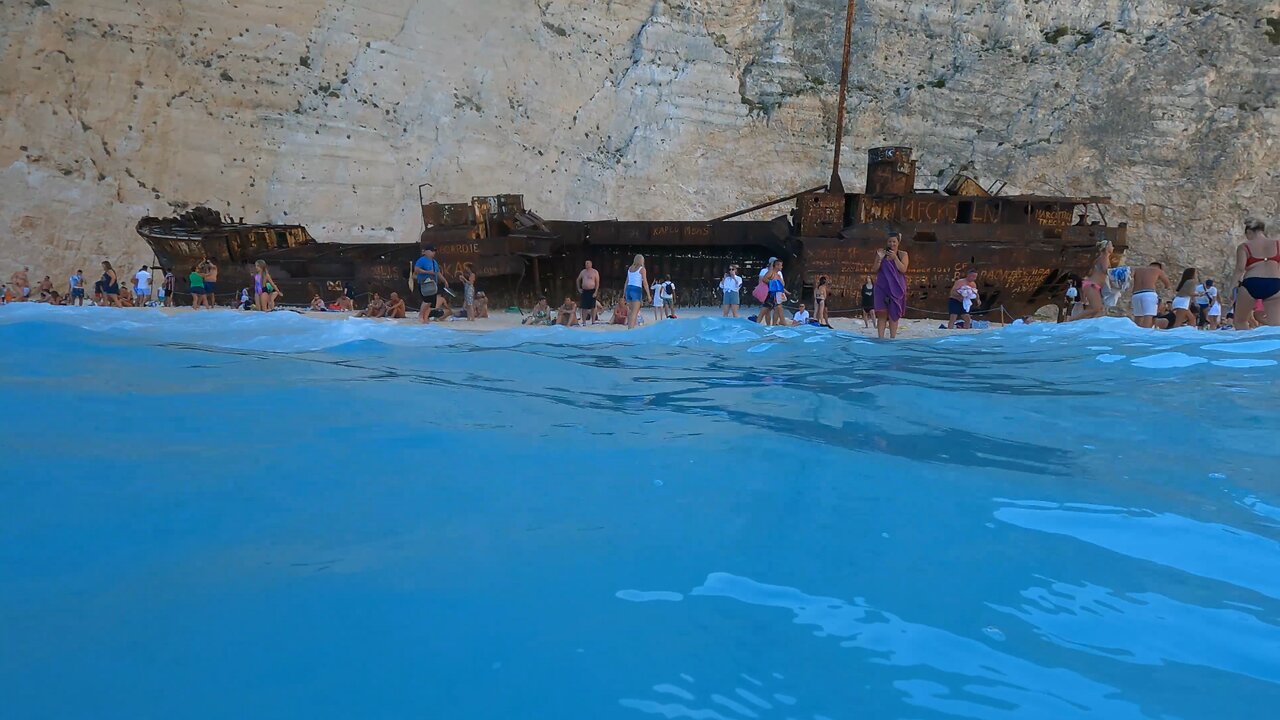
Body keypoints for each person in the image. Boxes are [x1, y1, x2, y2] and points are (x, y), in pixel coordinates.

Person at [1234, 217, 1280, 329]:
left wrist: (1232, 288)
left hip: (1252, 282)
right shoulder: (1277, 244)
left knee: (1240, 321)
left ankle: (1245, 340)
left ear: (1249, 231)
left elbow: (1240, 269)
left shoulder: (1244, 246)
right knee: (1276, 326)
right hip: (1274, 282)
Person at [872, 232, 908, 339]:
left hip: (896, 287)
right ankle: (880, 338)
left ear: (898, 242)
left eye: (894, 242)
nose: (892, 244)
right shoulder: (881, 253)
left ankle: (893, 338)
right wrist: (879, 258)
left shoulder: (903, 254)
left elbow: (903, 269)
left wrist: (895, 258)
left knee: (894, 314)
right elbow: (874, 269)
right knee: (882, 313)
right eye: (889, 241)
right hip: (882, 286)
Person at [1068, 241, 1112, 321]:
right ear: (1106, 248)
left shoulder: (1101, 257)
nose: (1113, 248)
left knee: (1098, 309)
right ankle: (1071, 319)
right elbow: (1106, 270)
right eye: (1111, 246)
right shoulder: (1104, 256)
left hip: (1092, 285)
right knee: (1096, 308)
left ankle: (1091, 323)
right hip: (1092, 285)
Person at [1129, 262, 1169, 328]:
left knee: (1138, 317)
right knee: (1148, 317)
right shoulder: (1158, 270)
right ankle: (1146, 332)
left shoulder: (1137, 269)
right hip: (1149, 294)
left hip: (1136, 295)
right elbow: (1167, 284)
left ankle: (1135, 332)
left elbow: (1129, 278)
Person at [413, 245, 447, 324]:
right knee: (426, 300)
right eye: (432, 251)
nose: (433, 253)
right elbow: (416, 269)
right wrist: (427, 272)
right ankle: (421, 316)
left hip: (433, 284)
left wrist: (444, 281)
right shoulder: (421, 260)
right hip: (424, 283)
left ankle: (425, 318)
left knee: (431, 303)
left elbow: (437, 272)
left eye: (434, 251)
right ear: (426, 252)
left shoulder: (434, 262)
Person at [758, 260, 787, 325]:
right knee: (765, 310)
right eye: (780, 265)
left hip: (776, 295)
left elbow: (782, 285)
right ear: (776, 266)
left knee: (777, 309)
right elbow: (764, 279)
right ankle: (757, 323)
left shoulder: (778, 274)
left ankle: (774, 324)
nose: (782, 267)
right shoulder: (771, 272)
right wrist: (774, 283)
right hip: (770, 294)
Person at [624, 254, 649, 329]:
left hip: (629, 289)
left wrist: (624, 292)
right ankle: (631, 329)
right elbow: (645, 282)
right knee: (635, 312)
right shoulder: (642, 269)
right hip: (636, 289)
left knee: (630, 311)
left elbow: (627, 281)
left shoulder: (630, 268)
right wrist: (648, 295)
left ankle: (629, 327)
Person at [576, 260, 601, 324]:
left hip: (592, 290)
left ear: (591, 264)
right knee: (584, 306)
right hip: (584, 290)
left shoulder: (595, 272)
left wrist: (596, 291)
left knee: (593, 306)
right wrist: (579, 288)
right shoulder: (583, 272)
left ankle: (593, 321)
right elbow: (578, 280)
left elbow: (597, 282)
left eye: (588, 263)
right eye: (586, 263)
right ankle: (584, 321)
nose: (586, 264)